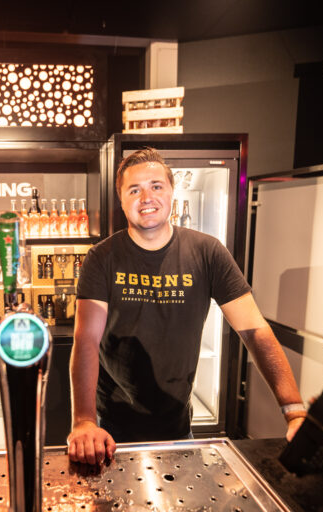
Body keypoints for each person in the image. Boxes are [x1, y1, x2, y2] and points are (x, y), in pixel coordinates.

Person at [67, 148, 306, 465]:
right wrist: (83, 420)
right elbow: (86, 340)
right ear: (122, 200)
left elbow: (255, 331)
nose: (146, 197)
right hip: (112, 429)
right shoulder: (102, 257)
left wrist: (294, 410)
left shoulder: (207, 253)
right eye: (134, 190)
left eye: (156, 186)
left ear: (171, 192)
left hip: (178, 426)